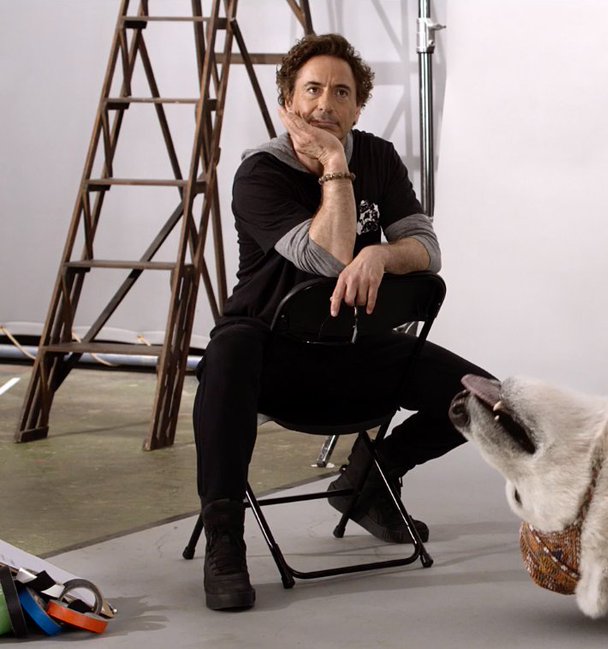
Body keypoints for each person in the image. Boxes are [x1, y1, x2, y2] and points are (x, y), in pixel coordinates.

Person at [192, 33, 491, 612]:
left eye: (341, 92)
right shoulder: (259, 172)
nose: (325, 104)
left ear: (358, 107)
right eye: (311, 90)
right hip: (269, 358)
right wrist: (334, 165)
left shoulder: (378, 156)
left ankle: (369, 481)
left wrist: (379, 253)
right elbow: (327, 258)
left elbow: (426, 249)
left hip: (354, 351)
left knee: (486, 401)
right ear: (287, 101)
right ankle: (224, 539)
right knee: (228, 351)